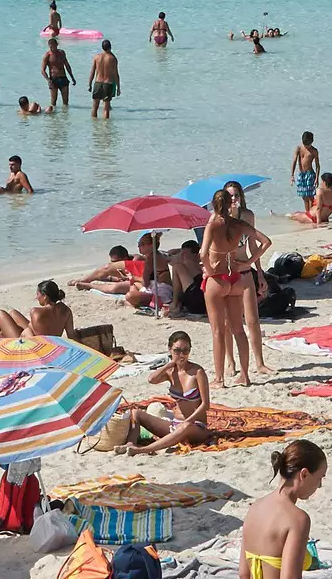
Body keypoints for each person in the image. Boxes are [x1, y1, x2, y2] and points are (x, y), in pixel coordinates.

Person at [112, 330, 214, 454]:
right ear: (170, 350)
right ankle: (130, 443)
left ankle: (143, 449)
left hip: (195, 425)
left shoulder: (197, 372)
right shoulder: (170, 372)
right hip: (175, 424)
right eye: (177, 351)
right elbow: (151, 379)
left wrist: (189, 420)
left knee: (185, 427)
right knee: (136, 413)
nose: (182, 355)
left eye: (186, 350)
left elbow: (205, 405)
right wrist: (169, 365)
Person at [241, 439, 327, 579]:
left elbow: (243, 574)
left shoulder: (254, 508)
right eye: (319, 478)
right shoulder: (298, 519)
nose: (320, 486)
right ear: (304, 474)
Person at [202, 190, 262, 387]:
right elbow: (266, 242)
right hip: (235, 277)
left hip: (217, 278)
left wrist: (210, 271)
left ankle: (219, 379)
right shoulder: (238, 224)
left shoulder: (213, 224)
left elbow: (203, 253)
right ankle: (245, 375)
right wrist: (250, 263)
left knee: (218, 331)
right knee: (238, 329)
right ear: (230, 204)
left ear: (213, 204)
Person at [0, 281, 75, 340]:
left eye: (38, 294)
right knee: (12, 313)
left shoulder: (36, 312)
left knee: (0, 314)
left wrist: (25, 333)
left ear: (45, 296)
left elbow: (32, 337)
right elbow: (71, 336)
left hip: (31, 345)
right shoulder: (66, 311)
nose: (37, 297)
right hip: (49, 341)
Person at [89, 40, 121, 119]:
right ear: (110, 47)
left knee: (95, 107)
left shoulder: (96, 57)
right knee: (106, 109)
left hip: (97, 83)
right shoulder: (112, 58)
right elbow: (116, 74)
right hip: (108, 83)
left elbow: (92, 72)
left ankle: (95, 128)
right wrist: (118, 87)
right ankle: (106, 129)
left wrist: (89, 84)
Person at [291, 132, 320, 217]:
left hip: (310, 174)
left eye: (308, 144)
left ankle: (311, 214)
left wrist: (317, 178)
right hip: (301, 174)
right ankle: (308, 212)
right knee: (304, 196)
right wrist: (292, 175)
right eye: (305, 144)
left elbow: (318, 165)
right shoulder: (299, 148)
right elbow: (294, 161)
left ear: (312, 142)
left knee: (310, 196)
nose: (306, 146)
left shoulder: (314, 151)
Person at [41, 39, 75, 109]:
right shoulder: (47, 55)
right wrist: (49, 80)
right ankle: (53, 118)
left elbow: (67, 65)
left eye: (53, 45)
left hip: (63, 78)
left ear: (57, 44)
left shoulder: (61, 53)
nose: (51, 47)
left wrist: (72, 77)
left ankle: (65, 117)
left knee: (66, 102)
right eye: (50, 46)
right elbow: (42, 70)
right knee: (53, 102)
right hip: (53, 80)